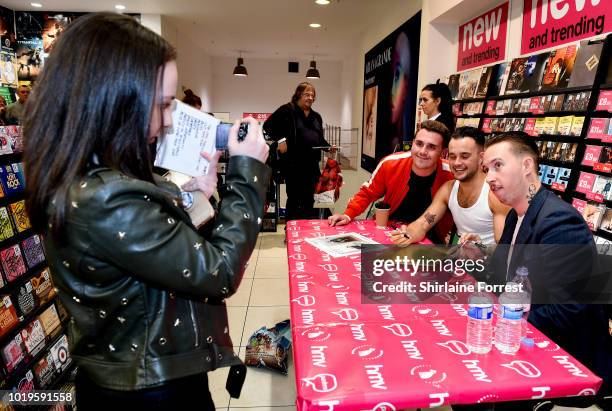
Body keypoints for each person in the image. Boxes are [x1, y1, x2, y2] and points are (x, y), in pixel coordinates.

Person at [23, 13, 269, 410]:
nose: (170, 121)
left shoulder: (92, 176)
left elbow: (156, 251)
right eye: (163, 105)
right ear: (112, 102)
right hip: (149, 391)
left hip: (142, 375)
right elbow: (219, 271)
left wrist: (195, 197)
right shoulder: (106, 198)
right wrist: (247, 173)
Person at [483, 132, 610, 409]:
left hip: (562, 361)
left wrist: (501, 327)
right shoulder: (517, 214)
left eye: (498, 165)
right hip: (522, 343)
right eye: (487, 169)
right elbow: (504, 281)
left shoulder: (559, 220)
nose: (489, 177)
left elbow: (567, 309)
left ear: (527, 166)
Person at [328, 120, 454, 243]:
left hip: (431, 238)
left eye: (432, 147)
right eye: (419, 144)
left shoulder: (452, 174)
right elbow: (367, 193)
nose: (423, 151)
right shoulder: (390, 164)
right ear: (413, 143)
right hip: (389, 232)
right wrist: (347, 215)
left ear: (443, 152)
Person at [390, 127, 509, 246]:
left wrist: (481, 250)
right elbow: (424, 222)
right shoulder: (448, 189)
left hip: (489, 261)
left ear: (481, 158)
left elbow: (506, 248)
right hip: (460, 259)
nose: (457, 163)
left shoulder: (495, 194)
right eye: (452, 156)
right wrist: (407, 234)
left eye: (464, 156)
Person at [263, 82, 332, 221]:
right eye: (307, 94)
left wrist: (329, 147)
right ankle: (292, 233)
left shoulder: (316, 116)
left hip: (312, 166)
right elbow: (267, 126)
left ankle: (307, 232)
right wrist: (281, 140)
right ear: (299, 95)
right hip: (293, 165)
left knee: (311, 199)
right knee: (295, 200)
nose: (310, 97)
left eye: (313, 95)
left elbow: (319, 139)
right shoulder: (287, 110)